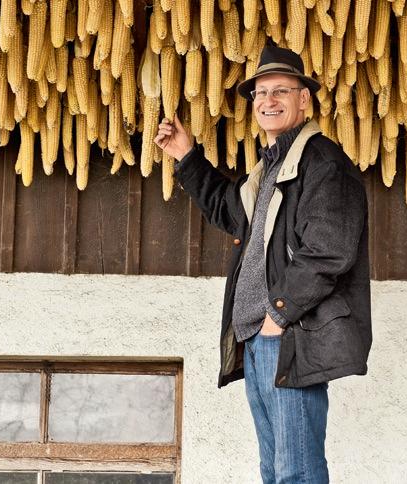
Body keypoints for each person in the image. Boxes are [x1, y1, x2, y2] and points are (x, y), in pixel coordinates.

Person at [155, 46, 372, 484]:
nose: (268, 101)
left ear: (304, 98)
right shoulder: (271, 167)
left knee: (296, 472)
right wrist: (187, 155)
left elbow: (328, 250)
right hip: (259, 338)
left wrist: (278, 314)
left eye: (280, 91)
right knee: (273, 472)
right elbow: (229, 209)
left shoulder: (322, 163)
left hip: (287, 335)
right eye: (260, 93)